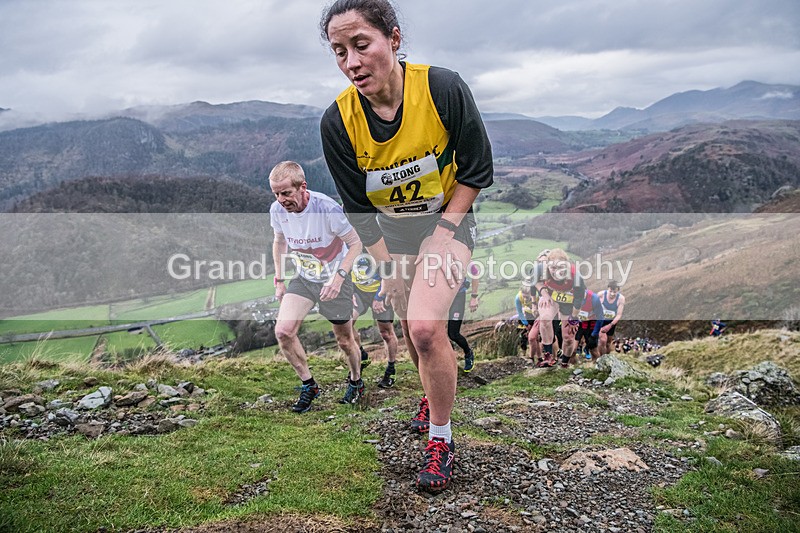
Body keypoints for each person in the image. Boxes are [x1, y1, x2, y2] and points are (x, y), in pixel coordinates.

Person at [319, 0, 493, 493]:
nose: (351, 62)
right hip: (389, 236)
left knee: (422, 328)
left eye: (361, 45)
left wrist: (440, 238)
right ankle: (429, 395)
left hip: (448, 221)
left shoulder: (442, 88)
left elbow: (477, 169)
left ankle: (441, 439)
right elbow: (356, 204)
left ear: (393, 40)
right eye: (339, 52)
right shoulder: (338, 121)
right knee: (408, 319)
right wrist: (388, 266)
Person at [269, 161, 365, 412]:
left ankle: (356, 380)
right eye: (276, 194)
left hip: (336, 279)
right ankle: (308, 384)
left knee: (344, 340)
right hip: (304, 278)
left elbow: (355, 245)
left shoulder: (326, 209)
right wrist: (279, 280)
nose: (281, 200)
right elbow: (279, 242)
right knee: (283, 332)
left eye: (286, 193)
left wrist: (339, 278)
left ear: (302, 187)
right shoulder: (277, 211)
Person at [531, 248, 588, 368]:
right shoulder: (540, 268)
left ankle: (564, 363)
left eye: (560, 268)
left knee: (568, 337)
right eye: (552, 268)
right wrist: (544, 295)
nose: (555, 271)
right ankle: (548, 355)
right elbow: (535, 282)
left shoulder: (575, 276)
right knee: (545, 319)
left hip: (570, 300)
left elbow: (579, 298)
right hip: (552, 296)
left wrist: (574, 318)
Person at [351, 253, 400, 388]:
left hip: (381, 290)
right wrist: (348, 291)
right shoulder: (349, 239)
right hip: (358, 291)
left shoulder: (375, 238)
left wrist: (379, 297)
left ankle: (391, 369)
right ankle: (362, 355)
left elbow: (391, 268)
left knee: (386, 333)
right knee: (345, 324)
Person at [448, 261, 480, 373]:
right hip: (442, 298)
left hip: (458, 297)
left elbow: (476, 274)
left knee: (453, 334)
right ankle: (446, 361)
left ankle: (468, 353)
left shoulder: (463, 258)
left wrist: (474, 297)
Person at [574, 289, 605, 361]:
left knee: (594, 351)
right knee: (573, 350)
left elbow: (600, 317)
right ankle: (570, 367)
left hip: (591, 326)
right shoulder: (571, 294)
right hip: (578, 324)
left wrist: (594, 333)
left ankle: (597, 368)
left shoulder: (594, 298)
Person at [598, 280, 625, 355]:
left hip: (611, 322)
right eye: (610, 291)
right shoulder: (601, 295)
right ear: (608, 289)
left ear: (618, 291)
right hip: (600, 320)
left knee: (608, 343)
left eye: (615, 292)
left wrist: (610, 325)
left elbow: (619, 315)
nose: (612, 294)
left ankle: (608, 358)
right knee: (602, 340)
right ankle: (601, 359)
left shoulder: (621, 299)